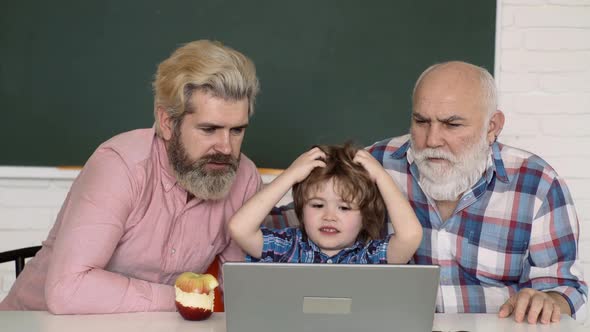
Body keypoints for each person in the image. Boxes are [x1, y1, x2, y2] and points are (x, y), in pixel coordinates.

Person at [0, 40, 262, 314]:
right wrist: (178, 299)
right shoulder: (120, 166)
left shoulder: (243, 180)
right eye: (209, 129)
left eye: (237, 131)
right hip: (34, 323)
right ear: (167, 122)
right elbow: (67, 290)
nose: (226, 148)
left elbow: (237, 290)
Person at [365, 61, 587, 324]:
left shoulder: (538, 184)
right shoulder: (374, 166)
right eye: (421, 121)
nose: (432, 139)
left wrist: (548, 300)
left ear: (492, 126)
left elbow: (566, 289)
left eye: (452, 124)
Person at [229, 144, 423, 264]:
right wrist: (290, 175)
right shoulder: (287, 247)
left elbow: (410, 236)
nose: (329, 216)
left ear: (365, 215)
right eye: (317, 205)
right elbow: (240, 228)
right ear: (301, 209)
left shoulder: (369, 255)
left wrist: (381, 176)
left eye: (345, 208)